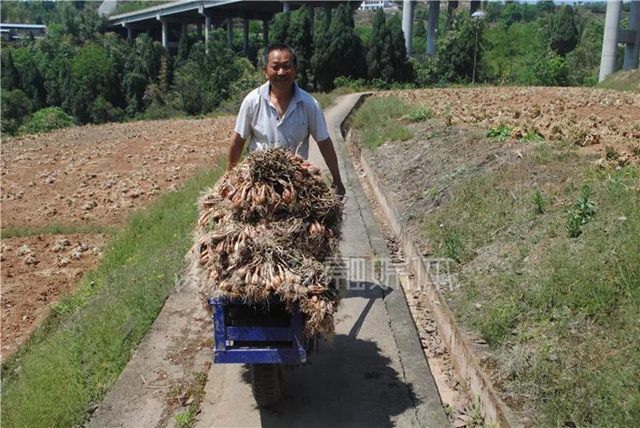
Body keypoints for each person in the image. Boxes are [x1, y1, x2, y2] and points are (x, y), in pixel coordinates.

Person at [227, 43, 346, 197]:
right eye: (275, 67)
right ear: (265, 71)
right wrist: (229, 179)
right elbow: (238, 141)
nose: (281, 72)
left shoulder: (310, 104)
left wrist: (337, 180)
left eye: (286, 66)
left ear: (295, 69)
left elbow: (324, 142)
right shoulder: (252, 102)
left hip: (296, 183)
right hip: (258, 184)